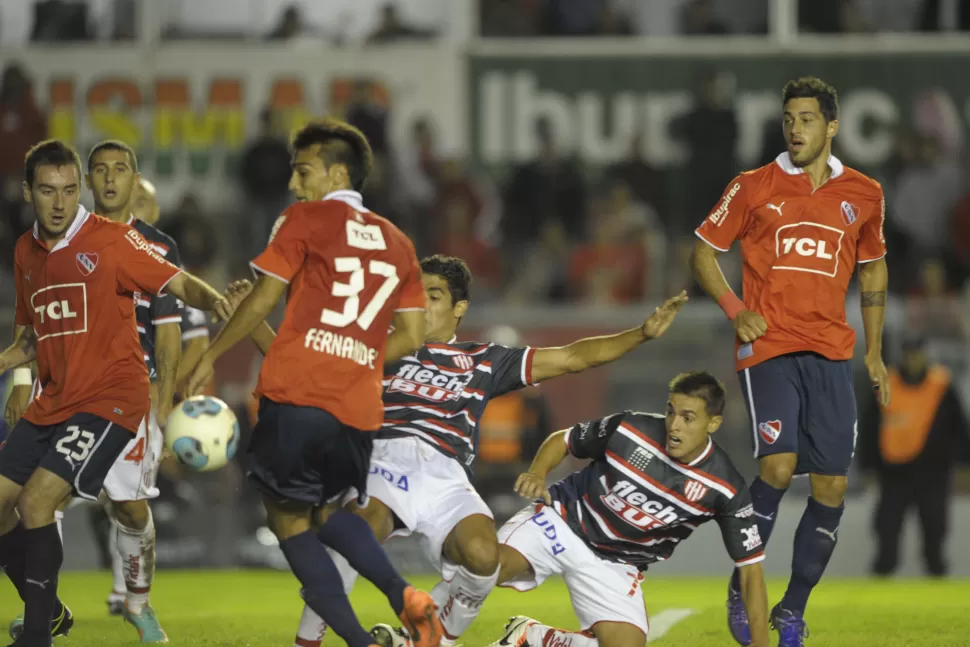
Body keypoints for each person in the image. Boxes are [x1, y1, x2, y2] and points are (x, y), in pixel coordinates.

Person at [224, 254, 688, 647]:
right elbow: (295, 365)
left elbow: (572, 358)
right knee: (358, 531)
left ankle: (437, 637)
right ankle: (308, 641)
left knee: (484, 556)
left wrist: (641, 334)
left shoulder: (485, 359)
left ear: (458, 307)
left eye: (433, 295)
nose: (418, 304)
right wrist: (252, 319)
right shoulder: (375, 349)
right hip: (386, 459)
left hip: (446, 476)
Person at [183, 118, 441, 647]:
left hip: (297, 395)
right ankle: (405, 596)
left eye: (303, 171)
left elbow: (261, 296)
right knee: (327, 511)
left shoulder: (303, 219)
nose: (293, 184)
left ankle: (363, 640)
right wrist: (357, 358)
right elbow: (413, 334)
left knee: (289, 522)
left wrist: (206, 354)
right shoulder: (399, 243)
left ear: (336, 172)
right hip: (357, 411)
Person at [0, 139, 229, 646]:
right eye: (46, 191)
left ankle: (71, 623)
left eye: (67, 190)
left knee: (66, 504)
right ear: (27, 193)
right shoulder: (24, 251)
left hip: (112, 397)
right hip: (54, 399)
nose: (59, 202)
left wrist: (213, 302)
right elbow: (28, 336)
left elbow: (178, 289)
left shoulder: (116, 240)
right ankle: (48, 610)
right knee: (11, 504)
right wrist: (14, 376)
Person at [690, 76, 890, 647]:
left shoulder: (864, 193)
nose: (795, 129)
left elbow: (873, 266)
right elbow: (703, 250)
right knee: (778, 467)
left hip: (831, 350)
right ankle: (743, 586)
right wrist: (734, 309)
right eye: (788, 120)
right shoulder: (753, 186)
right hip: (770, 346)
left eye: (806, 119)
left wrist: (873, 349)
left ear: (831, 126)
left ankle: (792, 610)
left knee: (830, 487)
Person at [486, 372, 770, 647]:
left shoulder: (726, 487)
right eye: (671, 412)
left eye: (688, 418)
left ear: (714, 423)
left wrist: (761, 643)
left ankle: (532, 636)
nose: (674, 426)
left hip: (617, 564)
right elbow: (564, 439)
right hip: (562, 520)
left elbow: (750, 569)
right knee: (488, 566)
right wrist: (537, 474)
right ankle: (442, 636)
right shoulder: (630, 428)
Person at [859, 333, 969, 576]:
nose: (913, 359)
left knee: (935, 530)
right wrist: (867, 466)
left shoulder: (941, 384)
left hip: (932, 471)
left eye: (917, 353)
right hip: (893, 472)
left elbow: (959, 426)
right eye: (909, 354)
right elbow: (869, 426)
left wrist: (964, 463)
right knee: (887, 530)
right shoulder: (885, 383)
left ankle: (936, 578)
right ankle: (882, 579)